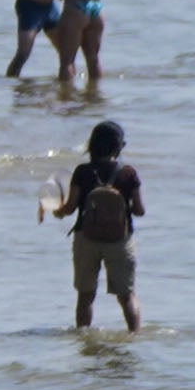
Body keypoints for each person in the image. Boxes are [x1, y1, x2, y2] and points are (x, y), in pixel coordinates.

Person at [50, 121, 148, 335]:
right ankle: (134, 335)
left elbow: (70, 207)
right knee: (127, 296)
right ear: (119, 146)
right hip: (120, 240)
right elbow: (140, 210)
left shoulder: (83, 171)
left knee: (85, 296)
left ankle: (84, 337)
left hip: (87, 238)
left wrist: (57, 211)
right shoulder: (128, 173)